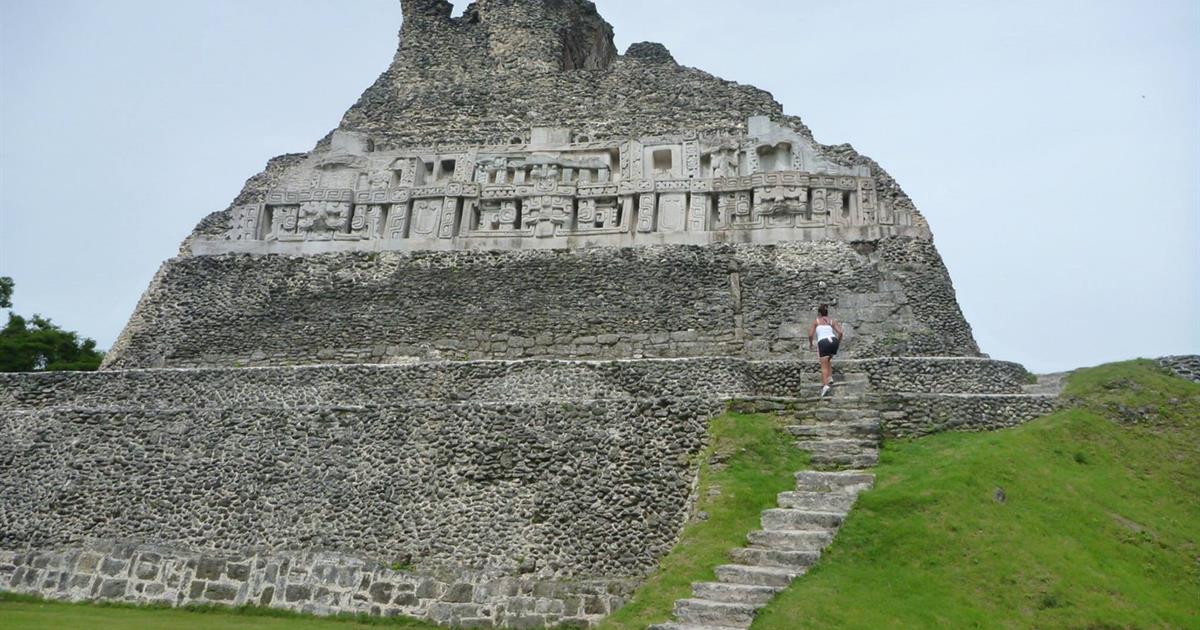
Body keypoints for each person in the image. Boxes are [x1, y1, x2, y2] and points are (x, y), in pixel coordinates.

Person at [808, 304, 844, 397]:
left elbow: (810, 335)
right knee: (828, 359)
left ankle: (825, 386)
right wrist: (838, 342)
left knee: (823, 364)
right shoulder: (831, 321)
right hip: (833, 341)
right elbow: (840, 332)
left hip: (823, 342)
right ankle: (830, 377)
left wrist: (811, 344)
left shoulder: (816, 321)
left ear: (819, 313)